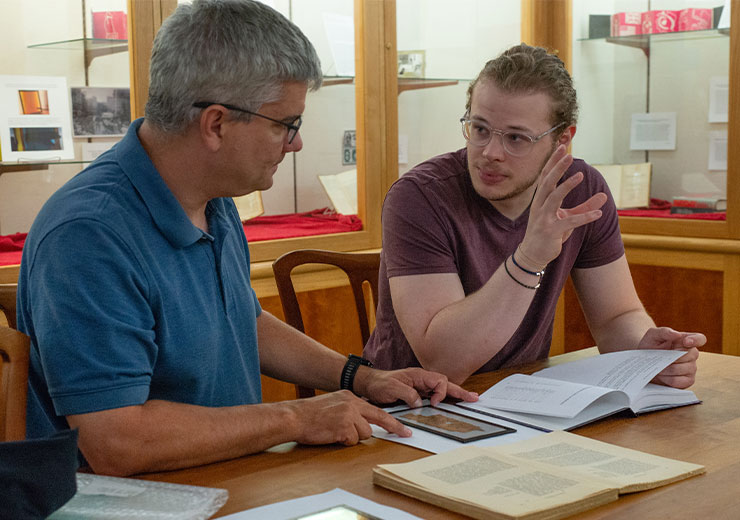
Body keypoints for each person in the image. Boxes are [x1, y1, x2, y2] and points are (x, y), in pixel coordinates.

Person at [17, 0, 477, 477]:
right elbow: (117, 442)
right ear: (216, 124)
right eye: (287, 124)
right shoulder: (89, 235)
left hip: (226, 478)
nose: (295, 142)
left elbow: (242, 321)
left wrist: (360, 377)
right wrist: (295, 417)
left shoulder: (212, 196)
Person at [364, 43, 706, 386]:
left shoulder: (581, 190)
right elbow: (443, 363)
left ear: (562, 140)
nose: (490, 153)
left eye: (516, 138)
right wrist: (530, 257)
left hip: (517, 397)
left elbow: (617, 317)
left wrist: (644, 353)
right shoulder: (419, 197)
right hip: (407, 410)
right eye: (480, 129)